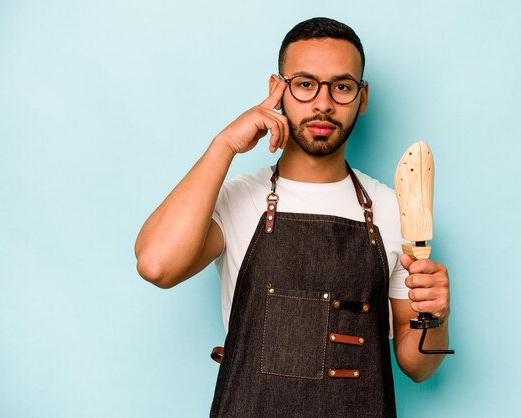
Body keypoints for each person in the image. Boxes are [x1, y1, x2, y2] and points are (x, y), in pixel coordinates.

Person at [135, 17, 452, 417]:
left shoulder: (394, 209)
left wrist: (437, 317)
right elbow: (155, 265)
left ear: (362, 97)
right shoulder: (238, 199)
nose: (323, 103)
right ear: (277, 90)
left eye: (342, 86)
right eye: (305, 84)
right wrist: (225, 145)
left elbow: (420, 367)